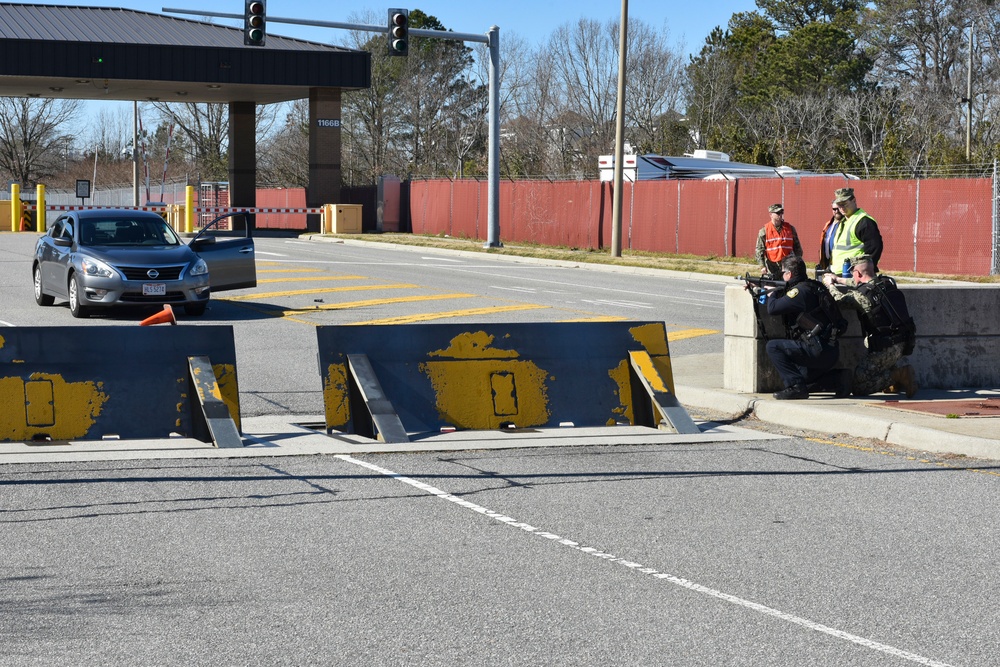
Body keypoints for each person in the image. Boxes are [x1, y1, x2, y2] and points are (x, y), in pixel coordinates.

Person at [823, 256, 918, 397]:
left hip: (885, 347)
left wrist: (829, 284)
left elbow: (838, 300)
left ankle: (899, 375)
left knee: (859, 386)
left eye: (853, 272)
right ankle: (894, 382)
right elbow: (859, 283)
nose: (852, 276)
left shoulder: (860, 296)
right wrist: (838, 279)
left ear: (858, 274)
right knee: (878, 364)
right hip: (904, 342)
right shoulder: (886, 283)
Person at [760, 255, 849, 400]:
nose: (782, 276)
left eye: (783, 273)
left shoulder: (799, 292)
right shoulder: (814, 286)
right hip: (830, 351)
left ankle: (795, 388)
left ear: (789, 274)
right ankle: (838, 378)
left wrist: (773, 291)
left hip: (816, 349)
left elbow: (773, 308)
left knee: (773, 347)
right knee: (801, 377)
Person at [830, 187, 883, 275]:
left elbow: (874, 249)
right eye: (839, 205)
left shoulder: (864, 221)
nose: (841, 208)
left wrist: (864, 271)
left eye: (844, 204)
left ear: (854, 201)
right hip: (840, 272)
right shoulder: (844, 221)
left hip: (855, 274)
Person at [755, 203, 803, 280]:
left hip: (788, 265)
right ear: (771, 214)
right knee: (774, 286)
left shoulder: (790, 229)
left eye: (781, 213)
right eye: (777, 213)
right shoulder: (764, 231)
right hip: (772, 266)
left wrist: (798, 261)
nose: (780, 215)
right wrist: (762, 266)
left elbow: (797, 247)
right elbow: (759, 250)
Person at [816, 200, 844, 275]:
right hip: (828, 263)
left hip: (840, 264)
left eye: (838, 208)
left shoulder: (845, 224)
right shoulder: (828, 224)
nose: (836, 211)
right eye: (834, 209)